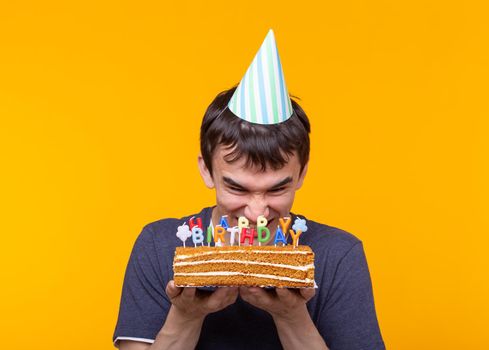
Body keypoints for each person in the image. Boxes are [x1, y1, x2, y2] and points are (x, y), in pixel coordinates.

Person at [113, 30, 385, 350]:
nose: (257, 212)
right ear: (206, 170)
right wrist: (185, 317)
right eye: (237, 188)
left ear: (302, 173)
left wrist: (291, 316)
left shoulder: (339, 254)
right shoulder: (158, 246)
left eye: (277, 188)